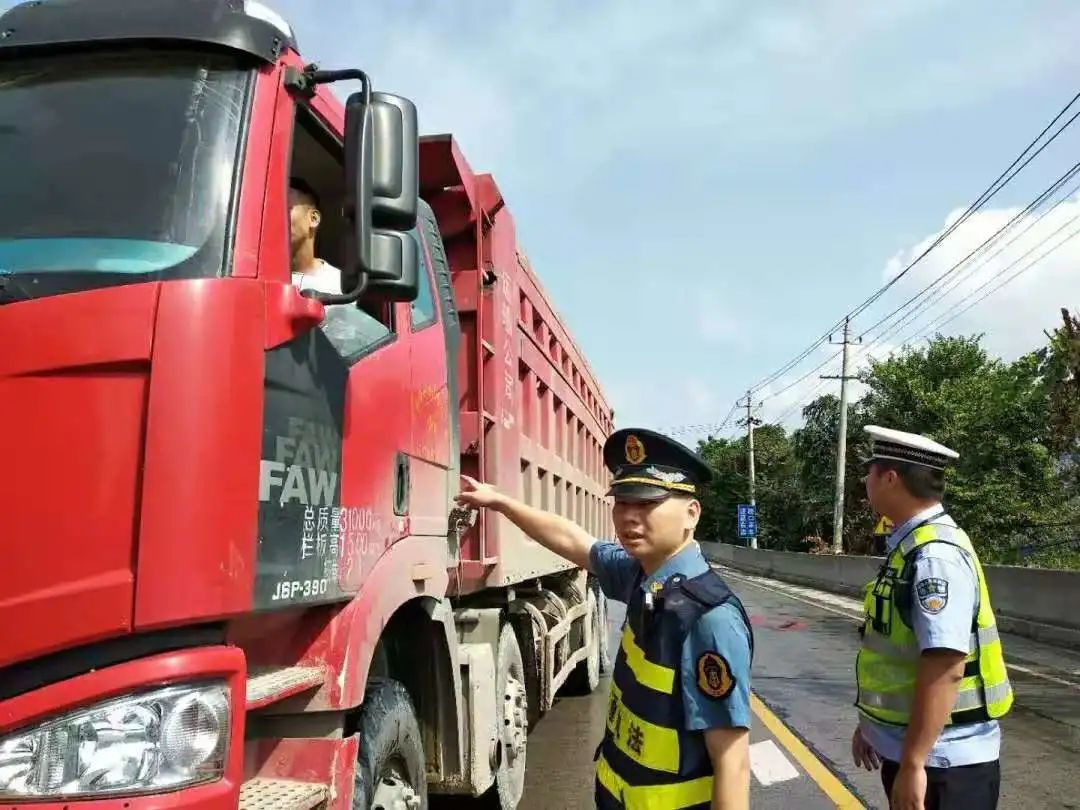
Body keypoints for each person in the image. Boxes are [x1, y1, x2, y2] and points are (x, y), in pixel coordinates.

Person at [455, 427, 753, 810]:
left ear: (691, 514)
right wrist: (500, 502)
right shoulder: (641, 575)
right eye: (622, 503)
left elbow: (733, 762)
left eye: (647, 504)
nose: (629, 517)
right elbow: (573, 540)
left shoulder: (708, 618)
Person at [852, 425, 1013, 810]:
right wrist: (873, 729)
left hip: (944, 765)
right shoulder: (910, 544)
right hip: (922, 752)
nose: (864, 479)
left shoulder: (934, 557)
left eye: (869, 470)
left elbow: (946, 665)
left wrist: (912, 763)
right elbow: (899, 657)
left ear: (890, 478)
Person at [288, 176, 342, 294]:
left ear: (313, 218)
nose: (276, 217)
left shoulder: (340, 287)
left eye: (287, 209)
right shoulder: (261, 282)